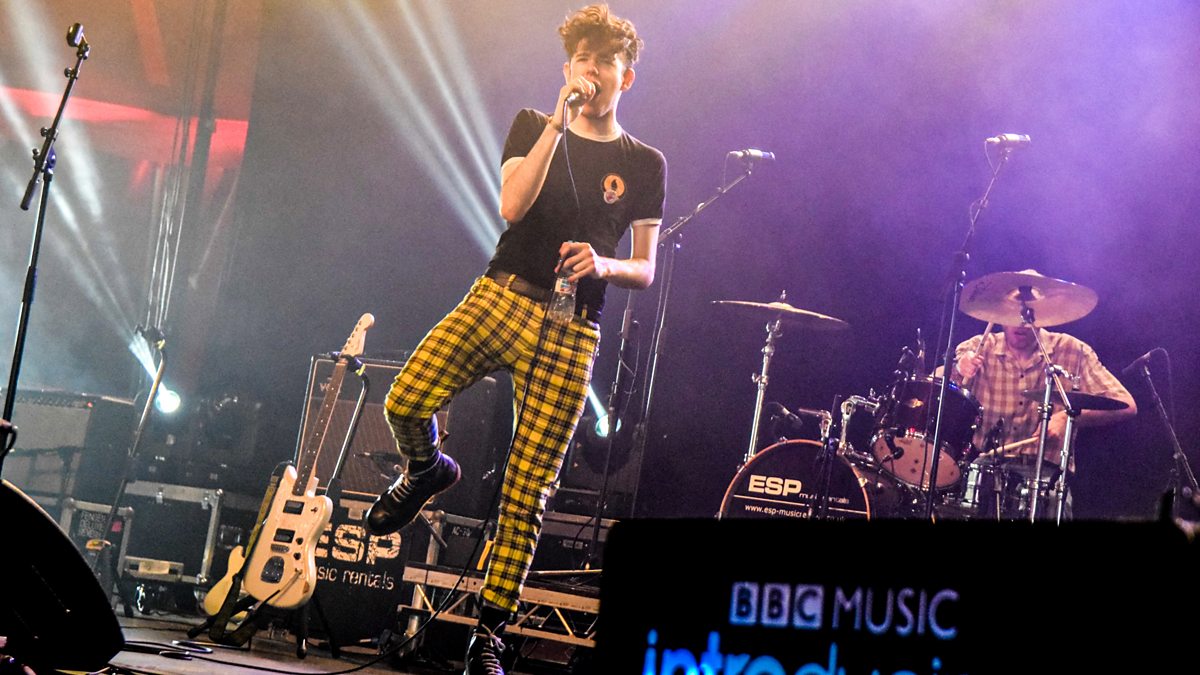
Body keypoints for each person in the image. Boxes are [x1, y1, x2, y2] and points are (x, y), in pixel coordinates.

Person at [363, 5, 665, 673]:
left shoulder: (643, 163)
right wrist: (558, 124)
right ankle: (426, 469)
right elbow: (511, 206)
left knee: (527, 492)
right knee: (405, 399)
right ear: (568, 68)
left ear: (626, 76)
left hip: (569, 329)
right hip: (500, 297)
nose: (592, 69)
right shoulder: (534, 124)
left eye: (606, 61)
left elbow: (645, 267)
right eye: (582, 58)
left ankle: (489, 635)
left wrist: (603, 263)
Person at [950, 317, 1136, 517]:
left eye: (1026, 317)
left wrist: (1068, 417)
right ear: (1000, 314)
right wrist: (958, 369)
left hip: (1047, 475)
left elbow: (1126, 404)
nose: (1019, 324)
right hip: (986, 469)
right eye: (1012, 315)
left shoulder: (1073, 350)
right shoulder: (980, 346)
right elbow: (939, 382)